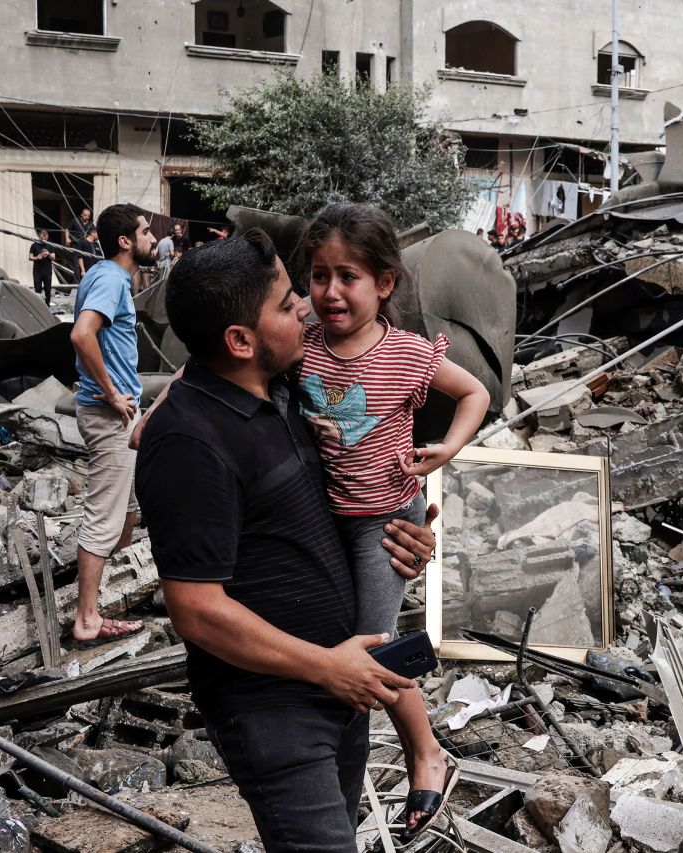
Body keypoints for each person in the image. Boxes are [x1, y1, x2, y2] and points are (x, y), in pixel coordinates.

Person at [135, 230, 438, 850]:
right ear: (240, 340)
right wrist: (327, 666)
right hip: (274, 708)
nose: (305, 305)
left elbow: (332, 506)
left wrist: (403, 538)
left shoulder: (285, 388)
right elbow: (196, 609)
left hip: (341, 683)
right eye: (283, 302)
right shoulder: (189, 442)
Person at [293, 202, 489, 839]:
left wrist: (450, 448)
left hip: (386, 522)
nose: (331, 292)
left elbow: (475, 393)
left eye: (348, 277)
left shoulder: (407, 354)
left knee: (371, 648)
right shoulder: (300, 346)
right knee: (342, 641)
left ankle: (424, 752)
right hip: (326, 517)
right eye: (319, 276)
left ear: (384, 283)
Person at [69, 204, 154, 645]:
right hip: (109, 415)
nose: (153, 239)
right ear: (126, 242)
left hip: (118, 411)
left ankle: (113, 595)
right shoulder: (109, 278)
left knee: (128, 508)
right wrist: (110, 392)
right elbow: (81, 334)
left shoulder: (110, 277)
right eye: (145, 231)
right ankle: (87, 619)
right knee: (104, 514)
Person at [29, 229, 55, 305]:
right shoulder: (34, 245)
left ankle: (47, 306)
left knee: (48, 290)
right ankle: (38, 306)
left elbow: (53, 257)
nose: (43, 239)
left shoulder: (50, 245)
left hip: (47, 271)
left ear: (47, 237)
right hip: (37, 271)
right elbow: (30, 257)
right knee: (38, 290)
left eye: (44, 237)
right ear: (39, 236)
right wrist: (37, 257)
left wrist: (48, 254)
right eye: (41, 237)